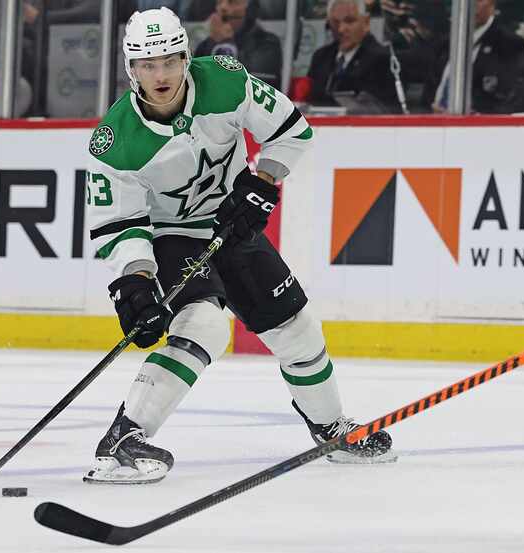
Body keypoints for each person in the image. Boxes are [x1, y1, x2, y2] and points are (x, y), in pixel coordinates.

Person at [84, 7, 395, 484]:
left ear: (187, 56)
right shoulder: (114, 142)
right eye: (147, 65)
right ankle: (125, 438)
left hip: (234, 223)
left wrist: (263, 182)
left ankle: (331, 428)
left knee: (296, 327)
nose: (161, 74)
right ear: (131, 69)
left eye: (169, 60)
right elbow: (118, 225)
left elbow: (292, 129)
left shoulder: (226, 81)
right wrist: (137, 283)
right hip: (172, 235)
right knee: (204, 324)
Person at [432, 0, 524, 113]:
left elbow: (512, 101)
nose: (472, 5)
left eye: (479, 0)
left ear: (493, 4)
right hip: (433, 123)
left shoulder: (511, 45)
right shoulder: (445, 42)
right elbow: (428, 91)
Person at [306, 0, 397, 112]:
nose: (341, 29)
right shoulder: (320, 57)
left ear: (366, 22)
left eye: (349, 21)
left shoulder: (382, 59)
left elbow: (384, 110)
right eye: (335, 22)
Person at [192, 0, 282, 87]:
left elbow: (250, 84)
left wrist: (226, 43)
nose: (222, 7)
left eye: (232, 2)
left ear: (250, 9)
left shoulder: (268, 43)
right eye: (219, 2)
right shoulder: (206, 45)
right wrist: (214, 43)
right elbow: (196, 81)